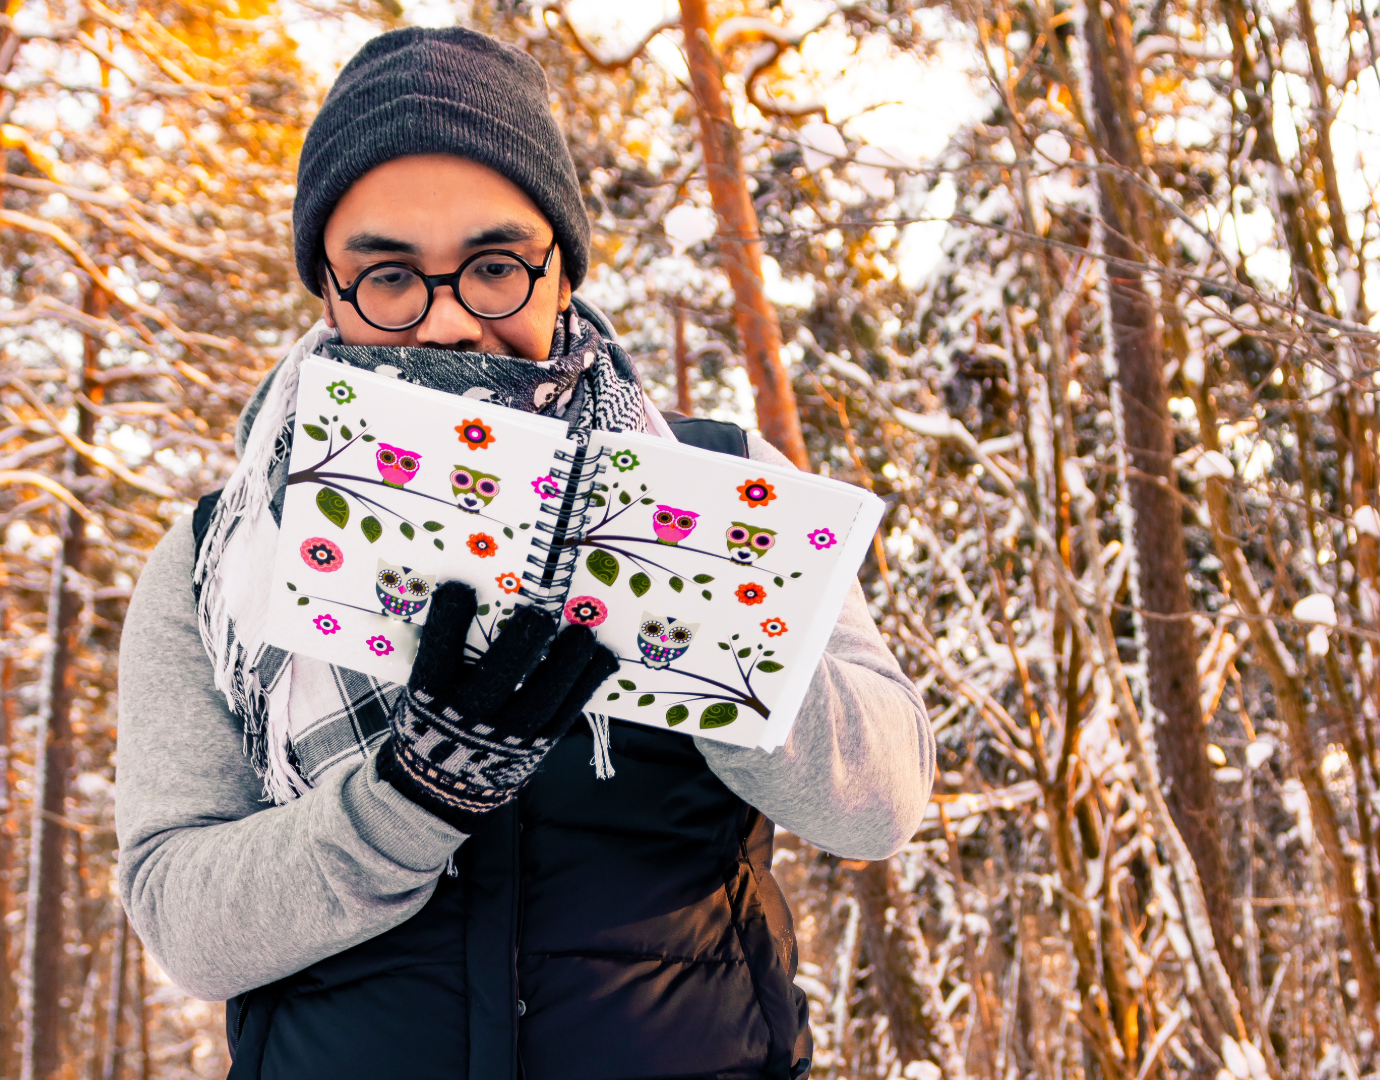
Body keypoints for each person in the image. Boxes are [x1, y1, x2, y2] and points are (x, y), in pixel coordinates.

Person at [115, 25, 935, 1080]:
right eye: (392, 277)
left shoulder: (723, 482)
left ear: (560, 271)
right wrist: (412, 800)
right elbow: (186, 920)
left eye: (494, 266)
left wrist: (715, 641)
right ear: (327, 286)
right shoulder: (217, 559)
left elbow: (881, 802)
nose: (451, 323)